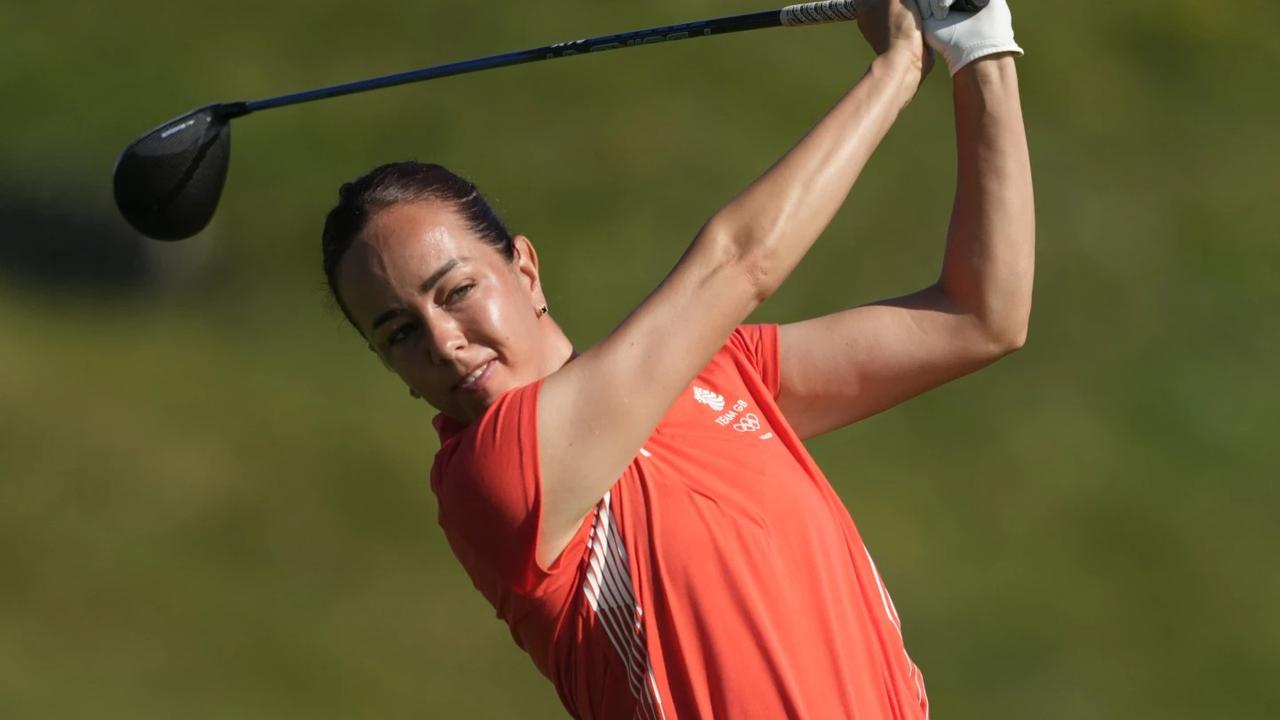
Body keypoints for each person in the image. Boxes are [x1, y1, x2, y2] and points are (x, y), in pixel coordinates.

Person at [320, 0, 1032, 716]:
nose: (444, 342)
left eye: (458, 291)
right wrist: (897, 68)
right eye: (399, 335)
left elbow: (981, 317)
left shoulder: (719, 373)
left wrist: (979, 51)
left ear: (526, 271)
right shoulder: (492, 480)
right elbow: (740, 262)